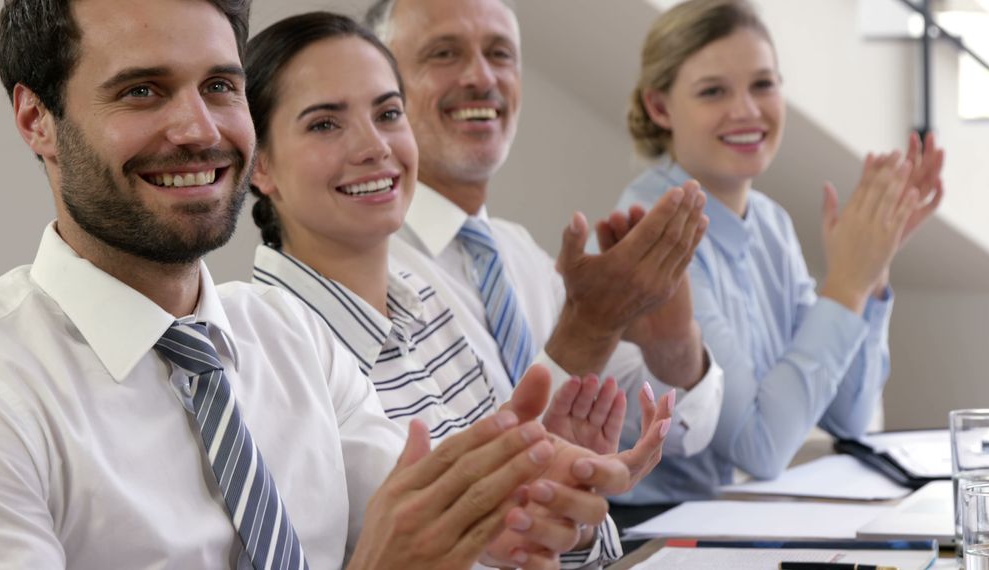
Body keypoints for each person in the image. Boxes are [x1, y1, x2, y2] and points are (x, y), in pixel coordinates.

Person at [0, 0, 624, 567]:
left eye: (221, 88)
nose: (199, 130)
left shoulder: (290, 336)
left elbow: (461, 540)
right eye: (142, 90)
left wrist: (537, 503)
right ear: (36, 120)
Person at [242, 12, 662, 567]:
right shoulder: (261, 349)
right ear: (259, 164)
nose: (375, 147)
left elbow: (573, 546)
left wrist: (560, 499)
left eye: (389, 113)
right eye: (324, 124)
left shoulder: (424, 300)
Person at [363, 0, 725, 480]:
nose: (481, 78)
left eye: (500, 54)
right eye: (444, 53)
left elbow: (679, 435)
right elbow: (460, 497)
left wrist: (673, 343)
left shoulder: (519, 254)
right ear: (379, 91)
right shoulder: (367, 271)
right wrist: (590, 329)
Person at [606, 0, 945, 502]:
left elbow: (848, 417)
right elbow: (759, 446)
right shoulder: (650, 232)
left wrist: (872, 269)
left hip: (733, 521)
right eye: (713, 91)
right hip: (649, 536)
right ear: (660, 107)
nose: (746, 110)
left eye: (763, 84)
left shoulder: (769, 222)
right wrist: (846, 286)